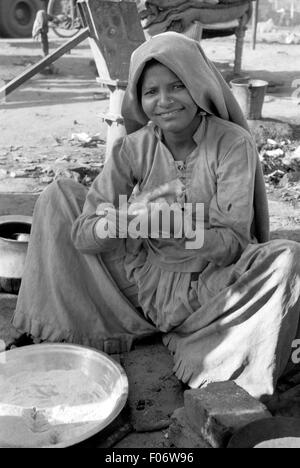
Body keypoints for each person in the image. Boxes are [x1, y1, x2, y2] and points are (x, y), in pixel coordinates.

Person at [9, 32, 300, 400]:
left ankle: (207, 354)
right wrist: (129, 217)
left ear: (199, 86)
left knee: (287, 257)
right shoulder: (133, 147)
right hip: (139, 284)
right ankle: (106, 326)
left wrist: (178, 225)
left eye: (177, 86)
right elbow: (84, 233)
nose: (164, 101)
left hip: (209, 290)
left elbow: (231, 246)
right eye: (151, 92)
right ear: (138, 99)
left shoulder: (232, 144)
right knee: (58, 198)